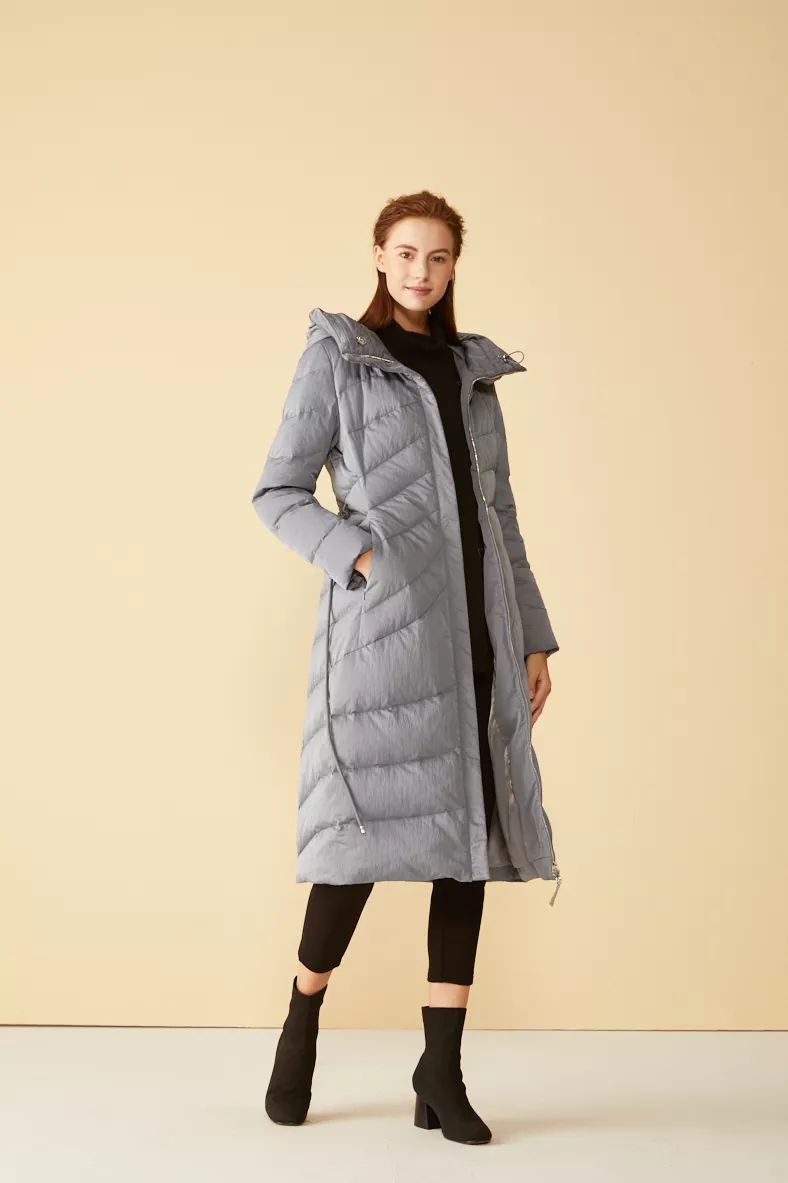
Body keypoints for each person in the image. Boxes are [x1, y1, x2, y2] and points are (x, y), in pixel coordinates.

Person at [250, 190, 560, 1145]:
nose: (422, 270)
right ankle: (302, 1016)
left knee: (466, 846)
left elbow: (501, 517)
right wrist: (360, 556)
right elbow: (276, 491)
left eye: (439, 256)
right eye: (406, 252)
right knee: (358, 842)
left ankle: (441, 1068)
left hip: (478, 634)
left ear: (454, 265)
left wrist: (533, 634)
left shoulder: (472, 373)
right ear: (379, 257)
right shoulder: (340, 357)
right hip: (386, 635)